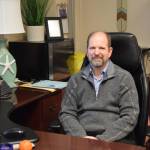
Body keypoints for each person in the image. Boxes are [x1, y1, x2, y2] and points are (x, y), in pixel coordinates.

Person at [59, 31, 139, 142]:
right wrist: (82, 137)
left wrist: (101, 140)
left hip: (115, 140)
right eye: (92, 48)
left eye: (101, 48)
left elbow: (130, 116)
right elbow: (66, 113)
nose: (96, 52)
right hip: (82, 138)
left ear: (109, 52)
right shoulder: (76, 79)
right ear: (87, 52)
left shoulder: (124, 78)